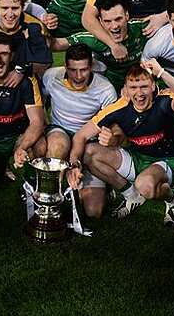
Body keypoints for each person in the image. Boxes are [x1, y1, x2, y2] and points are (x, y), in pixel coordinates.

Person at [67, 62, 174, 224]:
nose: (139, 93)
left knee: (145, 184)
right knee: (89, 152)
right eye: (133, 87)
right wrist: (74, 166)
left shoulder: (166, 101)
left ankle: (173, 199)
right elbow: (80, 136)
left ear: (153, 86)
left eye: (144, 86)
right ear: (125, 89)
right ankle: (132, 196)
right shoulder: (120, 106)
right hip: (137, 158)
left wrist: (162, 73)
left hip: (167, 161)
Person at [42, 44, 117, 218]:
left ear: (91, 67)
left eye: (83, 70)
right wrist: (44, 125)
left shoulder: (105, 89)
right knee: (58, 144)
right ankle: (52, 196)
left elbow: (110, 126)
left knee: (94, 211)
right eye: (72, 70)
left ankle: (93, 184)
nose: (78, 76)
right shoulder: (51, 77)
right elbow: (41, 103)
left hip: (88, 140)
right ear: (65, 66)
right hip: (60, 130)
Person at [0, 34, 47, 189]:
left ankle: (30, 184)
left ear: (12, 56)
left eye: (4, 54)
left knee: (39, 145)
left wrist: (22, 147)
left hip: (17, 137)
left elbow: (37, 122)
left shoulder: (26, 81)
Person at [51, 0, 148, 92]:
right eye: (107, 21)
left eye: (118, 19)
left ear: (127, 16)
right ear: (100, 21)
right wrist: (43, 25)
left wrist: (162, 17)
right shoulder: (93, 39)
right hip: (108, 88)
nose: (114, 26)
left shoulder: (140, 28)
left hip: (139, 83)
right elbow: (57, 45)